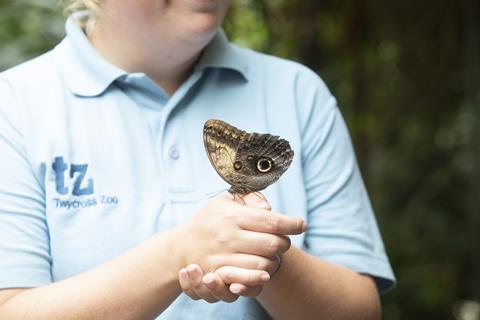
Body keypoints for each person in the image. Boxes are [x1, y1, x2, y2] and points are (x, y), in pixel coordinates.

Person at [0, 0, 395, 319]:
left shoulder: (299, 92)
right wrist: (180, 252)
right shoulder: (14, 106)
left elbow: (359, 310)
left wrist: (264, 253)